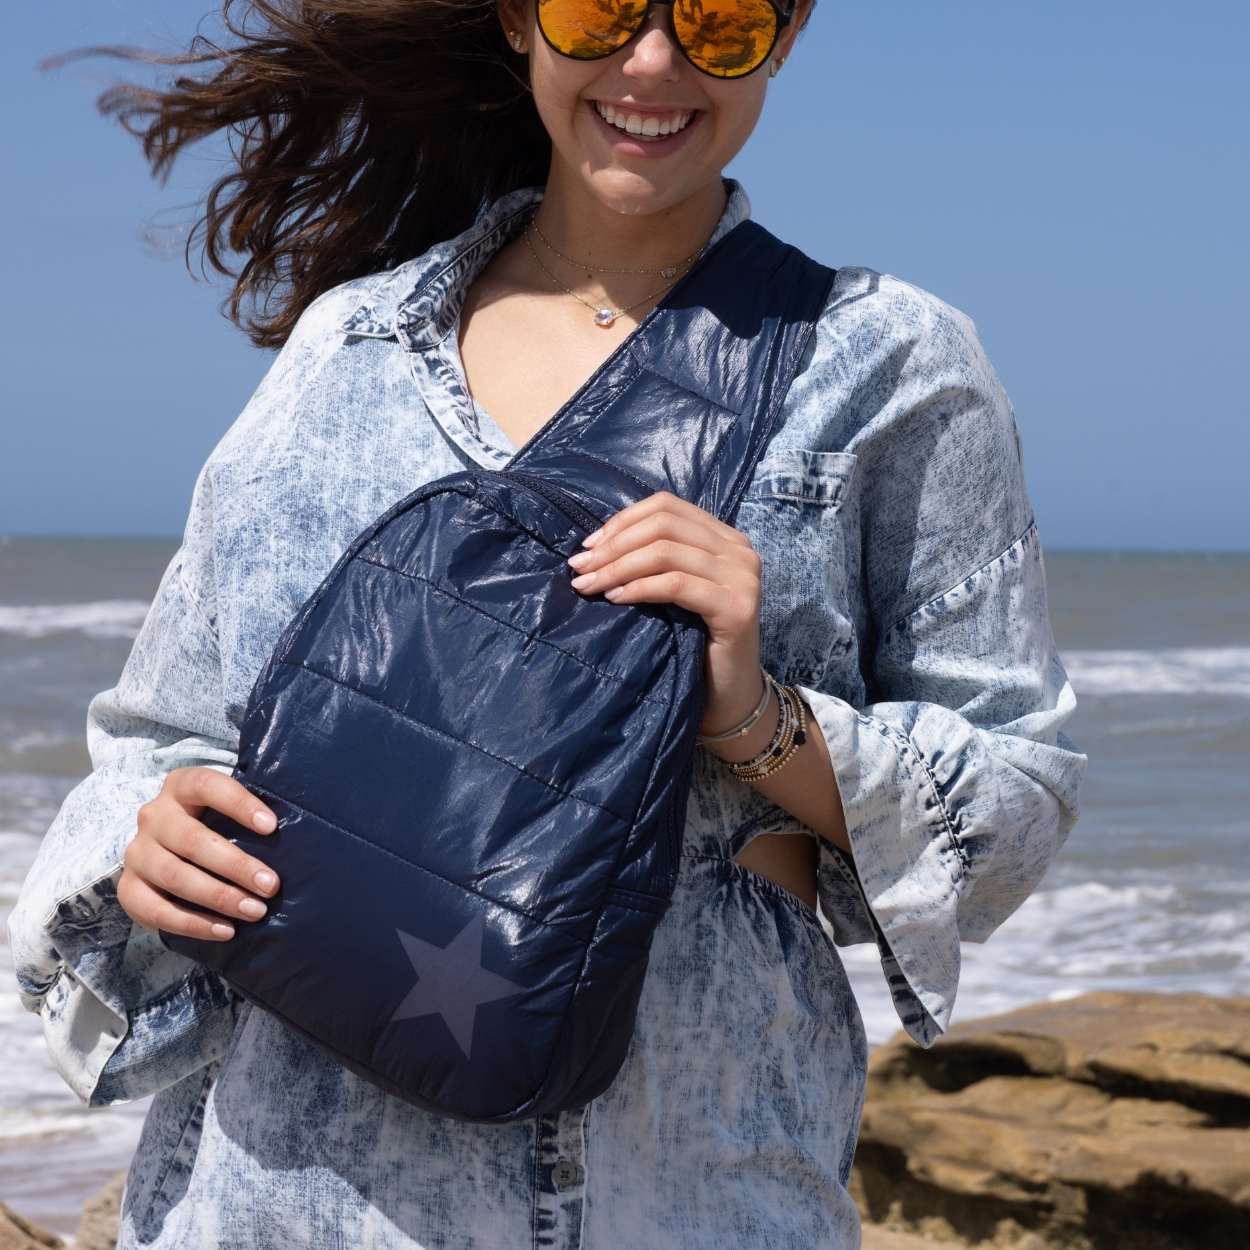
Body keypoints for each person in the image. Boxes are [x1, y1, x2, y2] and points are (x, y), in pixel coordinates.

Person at [9, 0, 1089, 1246]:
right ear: (520, 22)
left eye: (720, 20)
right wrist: (146, 845)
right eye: (598, 8)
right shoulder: (345, 348)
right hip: (277, 1193)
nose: (651, 61)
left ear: (785, 38)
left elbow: (1013, 793)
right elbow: (162, 729)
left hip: (685, 1198)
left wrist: (753, 713)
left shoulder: (892, 367)